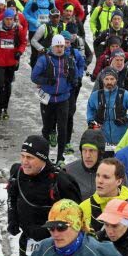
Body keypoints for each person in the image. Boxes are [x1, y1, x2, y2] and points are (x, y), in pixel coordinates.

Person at [7, 135, 81, 256]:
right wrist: (12, 219)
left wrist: (48, 231)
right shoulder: (17, 172)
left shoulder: (61, 181)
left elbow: (77, 217)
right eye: (22, 156)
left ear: (43, 158)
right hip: (27, 242)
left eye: (30, 157)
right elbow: (12, 195)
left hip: (56, 245)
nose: (24, 162)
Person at [31, 35, 85, 165]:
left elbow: (75, 76)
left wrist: (72, 83)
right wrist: (47, 81)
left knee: (62, 128)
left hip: (63, 99)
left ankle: (60, 158)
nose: (60, 49)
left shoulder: (69, 60)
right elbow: (34, 77)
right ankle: (45, 156)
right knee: (47, 128)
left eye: (61, 46)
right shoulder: (45, 59)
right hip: (47, 99)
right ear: (52, 46)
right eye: (57, 46)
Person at [79, 158, 128, 239]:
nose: (99, 181)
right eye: (98, 175)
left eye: (106, 177)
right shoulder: (82, 208)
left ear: (119, 181)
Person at [0, 8, 27, 121]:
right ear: (3, 19)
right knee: (0, 84)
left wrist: (19, 52)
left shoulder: (18, 29)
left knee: (8, 85)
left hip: (11, 61)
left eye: (11, 19)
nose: (9, 21)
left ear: (13, 19)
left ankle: (5, 109)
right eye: (7, 19)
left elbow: (23, 42)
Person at [86, 67, 128, 149]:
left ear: (116, 80)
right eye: (106, 79)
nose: (109, 82)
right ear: (102, 80)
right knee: (104, 156)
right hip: (102, 137)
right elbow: (90, 110)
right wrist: (91, 121)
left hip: (121, 137)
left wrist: (126, 118)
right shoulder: (95, 95)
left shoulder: (124, 94)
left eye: (112, 79)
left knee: (119, 157)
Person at [66, 128, 107, 200]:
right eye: (84, 150)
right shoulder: (68, 171)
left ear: (100, 152)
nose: (87, 155)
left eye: (92, 150)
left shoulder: (112, 171)